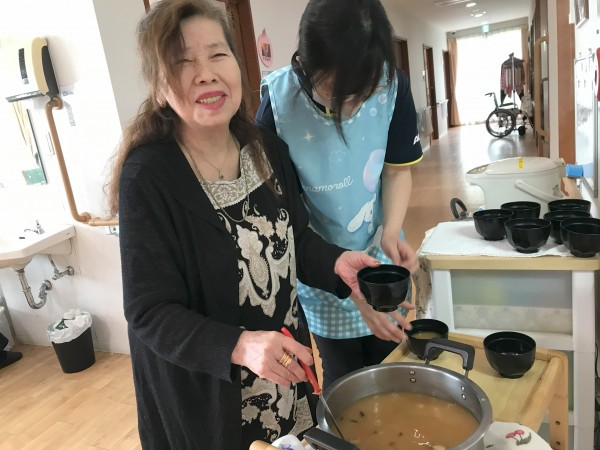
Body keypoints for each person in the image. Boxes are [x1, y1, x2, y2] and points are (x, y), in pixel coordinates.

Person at [105, 0, 384, 448]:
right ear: (159, 88)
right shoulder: (149, 177)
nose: (206, 74)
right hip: (208, 399)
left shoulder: (266, 148)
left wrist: (336, 263)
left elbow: (293, 239)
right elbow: (149, 312)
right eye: (183, 62)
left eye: (217, 54)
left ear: (237, 65)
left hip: (285, 372)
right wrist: (239, 345)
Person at [256, 0, 423, 389]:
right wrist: (351, 291)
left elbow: (397, 171)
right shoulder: (277, 108)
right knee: (346, 383)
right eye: (340, 93)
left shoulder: (393, 86)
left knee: (394, 374)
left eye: (364, 92)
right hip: (320, 265)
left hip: (378, 255)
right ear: (305, 64)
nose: (354, 106)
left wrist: (390, 230)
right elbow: (283, 219)